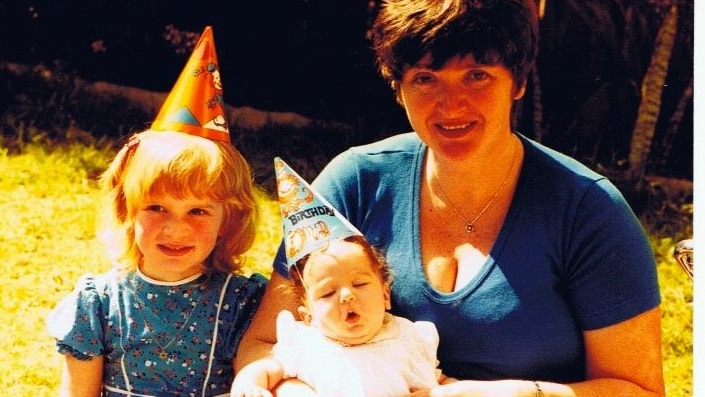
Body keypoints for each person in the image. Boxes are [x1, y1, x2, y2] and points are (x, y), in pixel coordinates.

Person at [236, 1, 665, 396]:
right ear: (398, 88)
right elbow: (263, 344)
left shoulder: (588, 211)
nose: (451, 104)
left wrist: (518, 394)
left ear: (518, 82)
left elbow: (640, 390)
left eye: (477, 75)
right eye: (425, 79)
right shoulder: (357, 182)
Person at [46, 26, 267, 397]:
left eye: (198, 211)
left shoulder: (242, 302)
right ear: (126, 209)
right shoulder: (98, 304)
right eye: (156, 207)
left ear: (228, 218)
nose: (175, 228)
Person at [232, 158, 451, 397]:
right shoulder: (306, 346)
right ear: (307, 316)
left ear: (386, 295)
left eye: (360, 284)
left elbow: (441, 383)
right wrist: (249, 384)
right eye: (328, 293)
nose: (347, 296)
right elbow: (264, 369)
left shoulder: (408, 341)